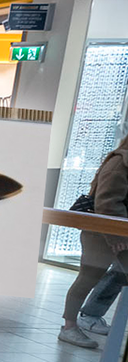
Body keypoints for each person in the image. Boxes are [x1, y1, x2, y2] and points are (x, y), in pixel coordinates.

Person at [61, 136, 128, 348]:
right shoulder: (120, 163)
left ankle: (81, 320)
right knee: (87, 279)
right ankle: (69, 326)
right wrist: (116, 235)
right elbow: (107, 203)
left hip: (117, 234)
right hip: (104, 235)